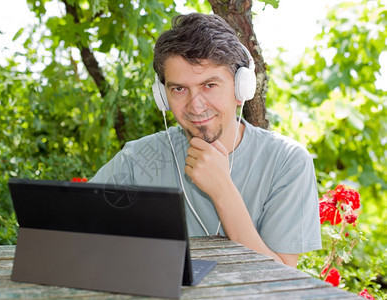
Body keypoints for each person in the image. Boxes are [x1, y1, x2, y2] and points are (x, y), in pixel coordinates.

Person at [89, 13, 321, 267]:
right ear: (162, 96)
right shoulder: (138, 159)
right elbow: (74, 224)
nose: (195, 106)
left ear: (240, 88)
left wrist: (222, 190)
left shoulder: (286, 161)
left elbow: (280, 279)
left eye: (209, 85)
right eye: (179, 89)